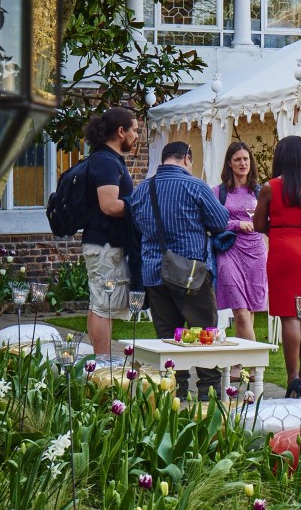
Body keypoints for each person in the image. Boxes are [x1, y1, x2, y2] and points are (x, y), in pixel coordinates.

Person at [128, 141, 229, 400]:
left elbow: (137, 226)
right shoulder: (196, 186)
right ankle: (208, 393)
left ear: (164, 160)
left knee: (168, 338)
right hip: (191, 274)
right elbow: (220, 222)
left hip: (154, 273)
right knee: (205, 333)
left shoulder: (142, 190)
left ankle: (176, 393)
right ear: (187, 158)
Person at [254, 136, 301, 398]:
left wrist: (278, 226)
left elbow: (258, 224)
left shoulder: (270, 188)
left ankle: (292, 378)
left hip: (284, 250)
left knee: (289, 316)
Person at [80, 107, 139, 360]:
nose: (137, 136)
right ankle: (103, 364)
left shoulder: (107, 159)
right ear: (120, 131)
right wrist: (138, 205)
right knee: (103, 305)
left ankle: (100, 360)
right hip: (104, 245)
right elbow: (109, 205)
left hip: (103, 243)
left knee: (99, 304)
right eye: (135, 130)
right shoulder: (105, 161)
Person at [213, 142, 267, 376]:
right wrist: (236, 223)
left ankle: (238, 363)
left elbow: (270, 220)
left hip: (256, 252)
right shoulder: (219, 192)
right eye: (237, 159)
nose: (243, 163)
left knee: (250, 311)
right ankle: (255, 365)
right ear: (229, 163)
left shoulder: (260, 191)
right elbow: (212, 222)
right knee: (240, 311)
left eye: (246, 159)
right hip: (230, 250)